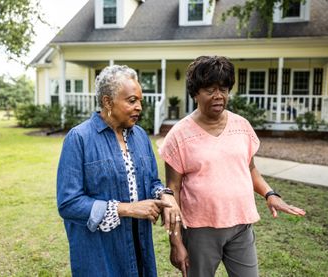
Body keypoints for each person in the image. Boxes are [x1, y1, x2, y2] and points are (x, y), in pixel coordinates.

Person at [159, 56, 306, 277]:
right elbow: (173, 191)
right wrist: (176, 242)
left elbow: (250, 169)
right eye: (210, 90)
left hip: (241, 226)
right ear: (195, 93)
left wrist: (270, 194)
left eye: (224, 89)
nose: (219, 96)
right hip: (200, 230)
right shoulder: (179, 135)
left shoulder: (242, 126)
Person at [57, 65, 182, 276]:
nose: (139, 107)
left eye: (140, 101)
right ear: (107, 102)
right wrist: (127, 209)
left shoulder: (141, 136)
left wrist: (164, 195)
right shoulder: (79, 138)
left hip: (139, 245)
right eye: (132, 100)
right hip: (100, 252)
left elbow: (152, 181)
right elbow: (68, 203)